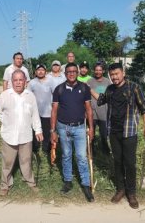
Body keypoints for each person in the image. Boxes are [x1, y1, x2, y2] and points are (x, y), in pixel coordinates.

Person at [90, 63, 145, 209]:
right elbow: (101, 100)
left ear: (123, 73)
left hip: (129, 132)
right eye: (112, 75)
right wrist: (89, 90)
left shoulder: (134, 87)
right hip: (114, 131)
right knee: (117, 161)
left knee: (129, 163)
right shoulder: (110, 89)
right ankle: (120, 189)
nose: (114, 77)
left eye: (116, 74)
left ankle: (131, 193)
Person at [0, 69, 43, 196]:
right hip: (9, 135)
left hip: (26, 135)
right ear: (11, 81)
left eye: (21, 80)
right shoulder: (5, 95)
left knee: (26, 160)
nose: (18, 83)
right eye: (15, 80)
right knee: (7, 162)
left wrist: (38, 130)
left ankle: (30, 182)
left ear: (25, 82)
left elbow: (35, 114)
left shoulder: (30, 96)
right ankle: (5, 184)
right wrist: (6, 121)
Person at [50, 62, 95, 202]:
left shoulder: (84, 87)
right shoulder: (59, 89)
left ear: (77, 72)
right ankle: (68, 181)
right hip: (63, 128)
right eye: (69, 71)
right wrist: (53, 130)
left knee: (81, 157)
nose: (71, 73)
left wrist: (91, 128)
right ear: (65, 73)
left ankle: (86, 185)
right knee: (66, 155)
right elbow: (54, 111)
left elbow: (88, 110)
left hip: (80, 128)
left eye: (74, 71)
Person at [27, 64, 56, 153]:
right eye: (38, 70)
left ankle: (46, 149)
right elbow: (27, 96)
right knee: (34, 130)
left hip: (48, 111)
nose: (40, 71)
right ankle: (35, 148)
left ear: (45, 72)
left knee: (47, 131)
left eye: (42, 70)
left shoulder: (51, 81)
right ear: (35, 72)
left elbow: (55, 94)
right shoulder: (32, 83)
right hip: (35, 112)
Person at [87, 63, 111, 155]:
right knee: (91, 134)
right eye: (96, 70)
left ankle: (106, 151)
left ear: (103, 71)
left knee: (104, 135)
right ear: (94, 71)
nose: (98, 72)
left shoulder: (107, 82)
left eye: (100, 70)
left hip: (104, 113)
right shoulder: (90, 81)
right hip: (92, 112)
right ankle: (91, 152)